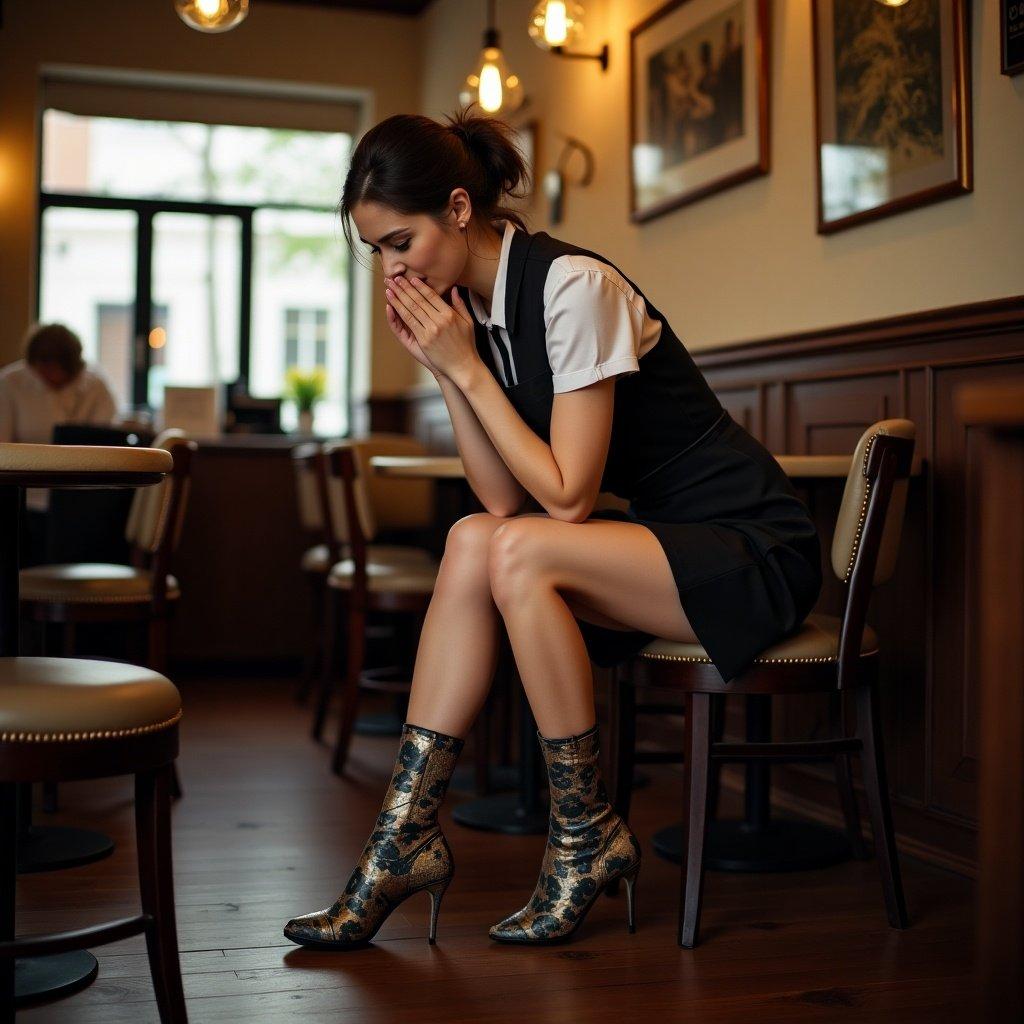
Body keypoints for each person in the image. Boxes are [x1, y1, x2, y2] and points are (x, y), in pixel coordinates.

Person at [284, 109, 822, 950]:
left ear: (459, 209)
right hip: (664, 549)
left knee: (525, 551)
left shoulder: (574, 286)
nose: (390, 271)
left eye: (399, 243)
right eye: (378, 252)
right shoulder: (477, 311)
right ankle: (403, 838)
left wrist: (463, 366)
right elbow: (499, 499)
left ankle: (583, 835)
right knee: (474, 537)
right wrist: (449, 371)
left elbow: (566, 500)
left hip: (751, 549)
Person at [0, 322, 119, 563]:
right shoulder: (11, 383)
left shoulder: (96, 387)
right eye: (44, 366)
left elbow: (102, 445)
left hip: (81, 498)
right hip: (22, 497)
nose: (50, 375)